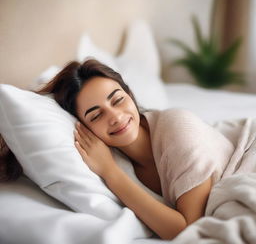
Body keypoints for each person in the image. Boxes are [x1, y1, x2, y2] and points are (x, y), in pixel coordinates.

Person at [0, 59, 235, 240]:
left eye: (117, 99)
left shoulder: (178, 127)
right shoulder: (112, 156)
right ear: (85, 127)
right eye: (96, 114)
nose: (115, 117)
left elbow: (186, 229)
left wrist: (110, 172)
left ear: (130, 95)